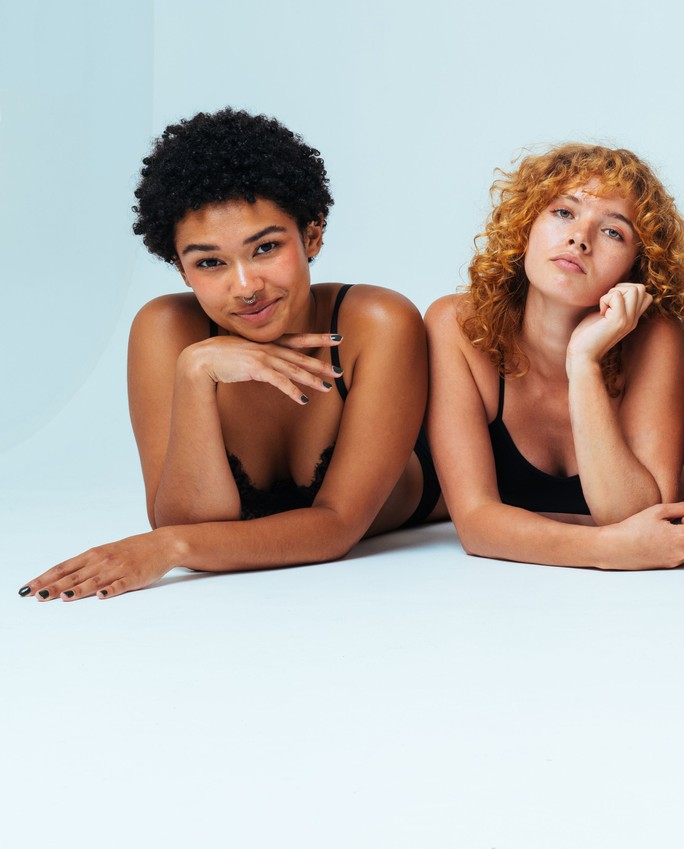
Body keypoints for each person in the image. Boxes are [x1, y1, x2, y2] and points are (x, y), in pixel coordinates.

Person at [21, 109, 438, 602]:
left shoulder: (378, 323)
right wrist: (196, 373)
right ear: (181, 270)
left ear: (311, 235)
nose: (245, 288)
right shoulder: (166, 330)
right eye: (210, 262)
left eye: (265, 248)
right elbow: (189, 520)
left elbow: (337, 527)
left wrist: (168, 548)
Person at [426, 144, 684, 570]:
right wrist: (609, 550)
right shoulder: (455, 325)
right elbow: (475, 523)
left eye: (613, 231)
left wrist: (583, 361)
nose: (580, 238)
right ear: (525, 225)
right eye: (563, 212)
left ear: (637, 268)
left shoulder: (654, 336)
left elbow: (632, 518)